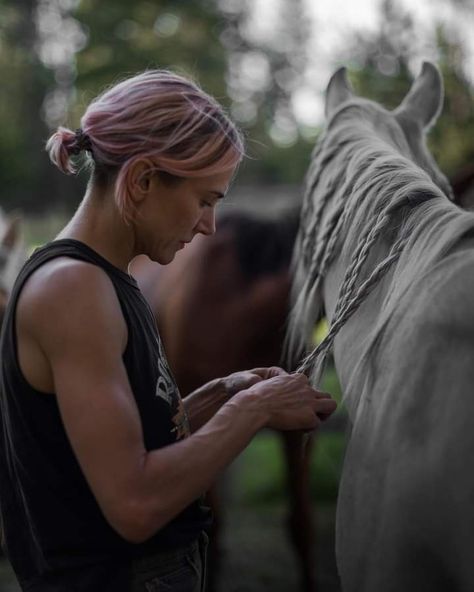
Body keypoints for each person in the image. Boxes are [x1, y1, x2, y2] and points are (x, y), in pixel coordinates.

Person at [0, 69, 337, 592]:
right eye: (205, 200)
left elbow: (132, 441)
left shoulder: (108, 279)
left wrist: (225, 393)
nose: (210, 226)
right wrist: (256, 411)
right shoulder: (73, 292)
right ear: (142, 181)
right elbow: (135, 504)